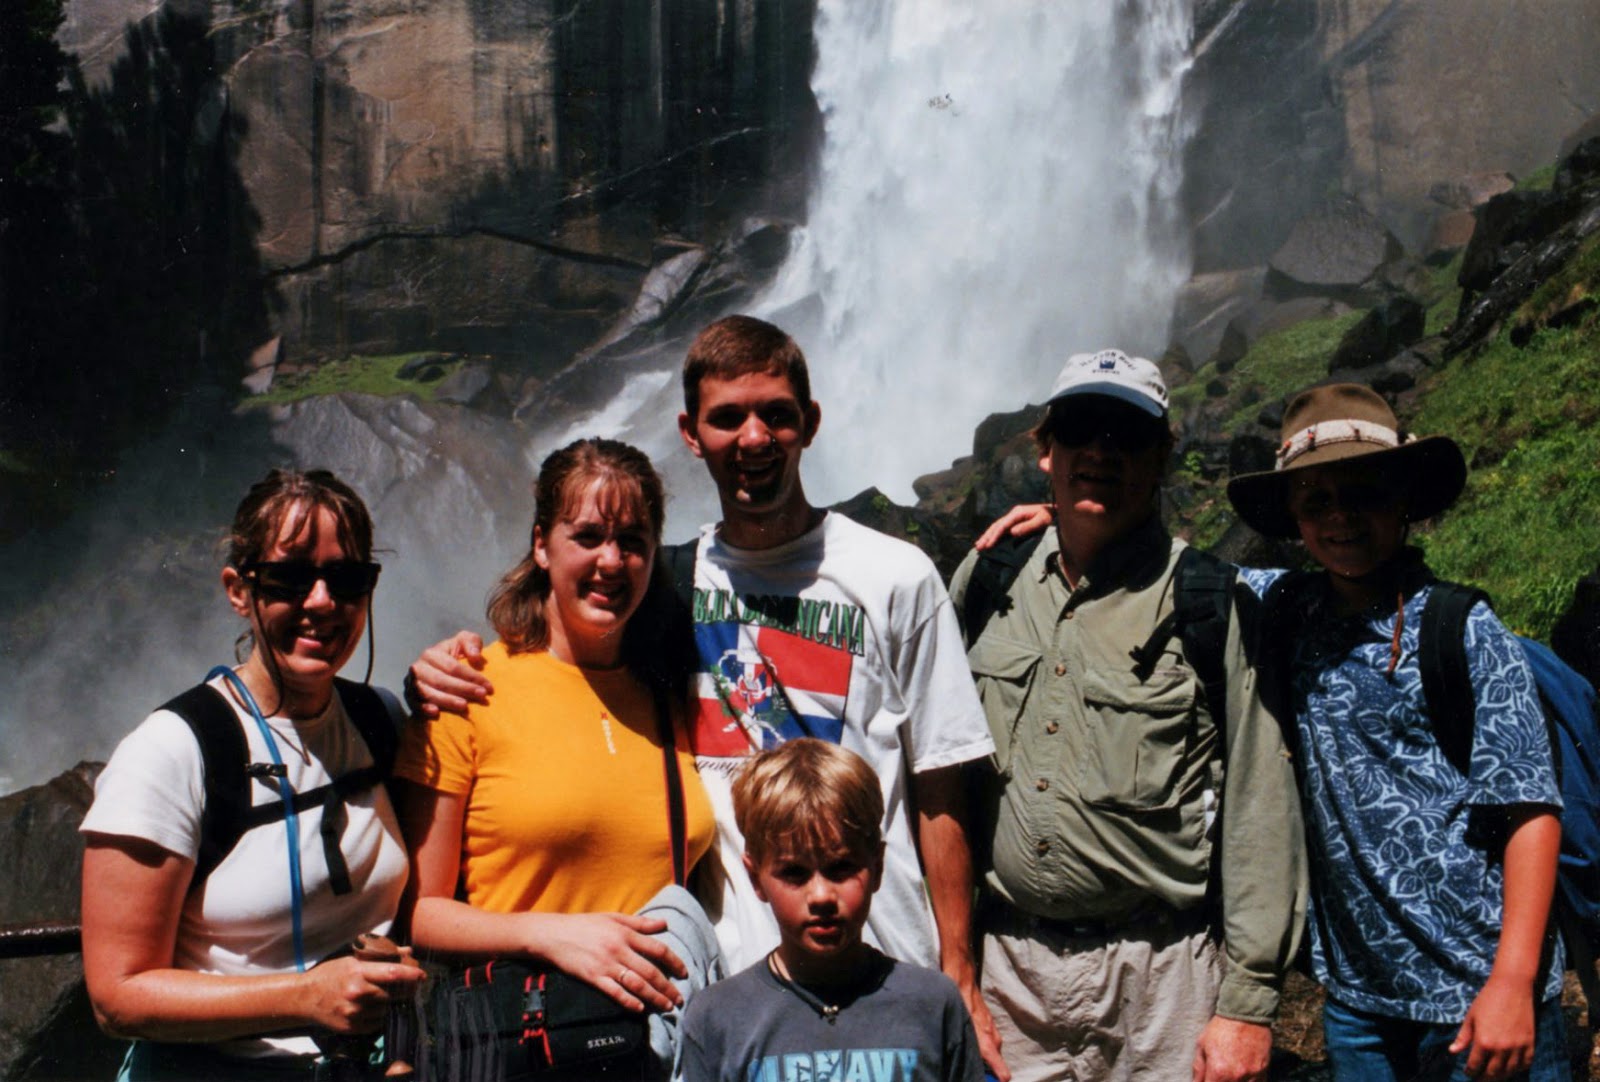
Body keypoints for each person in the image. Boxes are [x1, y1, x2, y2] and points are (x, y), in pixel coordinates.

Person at [408, 316, 1005, 1076]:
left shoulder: (897, 576)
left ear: (810, 423)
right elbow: (562, 649)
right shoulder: (674, 587)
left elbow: (942, 781)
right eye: (728, 417)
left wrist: (959, 974)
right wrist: (432, 666)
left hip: (884, 974)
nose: (753, 437)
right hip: (724, 999)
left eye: (776, 414)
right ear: (691, 434)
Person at [948, 349, 1307, 1082]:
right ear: (1046, 450)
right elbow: (935, 771)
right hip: (1009, 972)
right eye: (1081, 429)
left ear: (1161, 457)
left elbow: (1260, 804)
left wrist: (1246, 1005)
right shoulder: (987, 579)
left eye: (1127, 435)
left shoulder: (1211, 602)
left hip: (1164, 983)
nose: (1100, 452)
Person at [1225, 383, 1568, 1082]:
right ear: (1292, 518)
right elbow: (1175, 567)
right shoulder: (1287, 610)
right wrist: (1063, 519)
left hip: (1478, 990)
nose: (1340, 517)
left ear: (1404, 501)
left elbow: (1530, 807)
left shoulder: (1464, 629)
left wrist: (1512, 981)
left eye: (1364, 494)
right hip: (1359, 1003)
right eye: (1316, 501)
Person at [80, 468, 424, 1080]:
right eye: (291, 578)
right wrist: (304, 998)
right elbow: (117, 996)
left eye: (346, 579)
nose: (322, 602)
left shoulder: (381, 719)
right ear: (239, 591)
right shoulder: (170, 753)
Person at [392, 437, 722, 1077]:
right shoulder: (467, 692)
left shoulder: (669, 697)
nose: (611, 560)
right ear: (542, 545)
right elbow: (419, 915)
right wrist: (549, 934)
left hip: (651, 1052)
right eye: (588, 536)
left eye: (633, 542)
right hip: (525, 1043)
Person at [676, 738, 985, 1082]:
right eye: (795, 873)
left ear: (877, 866)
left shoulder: (933, 1003)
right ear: (755, 878)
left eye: (841, 868)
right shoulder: (718, 1017)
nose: (821, 895)